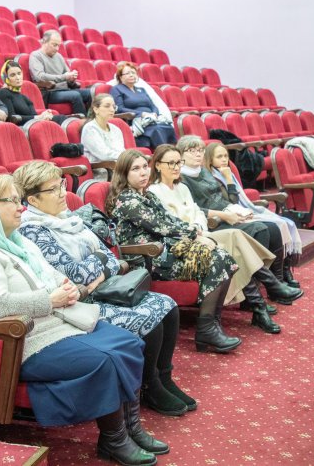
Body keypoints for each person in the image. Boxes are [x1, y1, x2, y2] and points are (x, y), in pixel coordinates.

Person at [0, 175, 160, 466]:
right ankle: (114, 439)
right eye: (11, 201)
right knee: (106, 359)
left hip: (54, 323)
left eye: (19, 200)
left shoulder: (17, 242)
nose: (20, 207)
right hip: (18, 341)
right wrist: (50, 300)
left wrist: (67, 287)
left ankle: (132, 428)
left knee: (130, 343)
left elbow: (51, 275)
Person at [14, 160, 194, 416]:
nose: (63, 192)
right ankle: (149, 385)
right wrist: (98, 262)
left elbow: (110, 257)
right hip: (78, 303)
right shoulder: (33, 231)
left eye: (61, 184)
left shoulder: (68, 219)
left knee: (167, 306)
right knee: (149, 317)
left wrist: (97, 269)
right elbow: (75, 274)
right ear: (33, 200)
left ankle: (163, 378)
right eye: (53, 189)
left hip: (101, 290)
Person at [108, 149, 242, 353]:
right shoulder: (127, 201)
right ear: (124, 173)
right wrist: (195, 234)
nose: (143, 172)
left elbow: (171, 219)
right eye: (135, 169)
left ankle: (211, 325)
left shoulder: (147, 195)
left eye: (144, 167)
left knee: (223, 257)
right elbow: (161, 226)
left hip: (165, 251)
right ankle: (207, 329)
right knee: (215, 261)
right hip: (146, 258)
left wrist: (195, 230)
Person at [147, 145, 281, 334]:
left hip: (200, 233)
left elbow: (197, 213)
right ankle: (264, 296)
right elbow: (171, 223)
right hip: (183, 241)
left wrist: (199, 228)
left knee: (236, 235)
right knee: (233, 244)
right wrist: (195, 232)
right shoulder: (154, 191)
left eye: (178, 162)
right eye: (171, 163)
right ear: (158, 165)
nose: (176, 167)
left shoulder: (182, 187)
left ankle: (260, 301)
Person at [177, 136, 304, 304]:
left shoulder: (204, 171)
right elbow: (194, 209)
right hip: (213, 222)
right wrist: (225, 215)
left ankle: (276, 285)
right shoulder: (182, 178)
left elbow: (227, 200)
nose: (198, 154)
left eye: (200, 150)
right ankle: (252, 297)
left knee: (274, 229)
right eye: (192, 151)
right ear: (181, 154)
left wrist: (238, 211)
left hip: (228, 213)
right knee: (260, 230)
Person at [204, 142, 303, 287]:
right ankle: (277, 279)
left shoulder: (227, 172)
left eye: (226, 156)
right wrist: (229, 180)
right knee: (274, 226)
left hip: (242, 210)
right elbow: (232, 202)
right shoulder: (212, 178)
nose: (224, 159)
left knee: (285, 223)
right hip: (229, 215)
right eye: (219, 157)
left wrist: (229, 177)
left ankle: (283, 272)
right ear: (210, 159)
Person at [109, 62, 176, 149]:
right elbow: (120, 109)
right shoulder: (116, 89)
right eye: (128, 73)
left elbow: (153, 105)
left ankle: (172, 153)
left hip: (151, 119)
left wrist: (154, 113)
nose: (131, 75)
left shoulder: (142, 89)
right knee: (157, 129)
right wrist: (141, 114)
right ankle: (164, 153)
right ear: (121, 77)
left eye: (133, 73)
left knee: (167, 127)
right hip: (136, 121)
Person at [29, 30, 90, 114]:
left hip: (65, 89)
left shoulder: (59, 56)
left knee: (89, 93)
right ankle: (82, 120)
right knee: (75, 95)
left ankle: (91, 118)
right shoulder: (36, 55)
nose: (57, 49)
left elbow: (66, 73)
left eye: (58, 45)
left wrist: (71, 78)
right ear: (44, 42)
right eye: (54, 45)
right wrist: (64, 77)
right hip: (50, 91)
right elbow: (39, 76)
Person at [0, 60, 68, 126]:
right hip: (20, 129)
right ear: (6, 78)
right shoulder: (3, 92)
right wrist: (38, 117)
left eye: (19, 73)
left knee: (61, 118)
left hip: (32, 126)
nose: (17, 77)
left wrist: (43, 116)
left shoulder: (25, 98)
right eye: (12, 75)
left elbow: (34, 116)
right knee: (60, 120)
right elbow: (11, 118)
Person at [81, 93, 126, 180]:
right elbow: (104, 155)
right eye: (107, 106)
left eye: (114, 107)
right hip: (102, 174)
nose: (112, 109)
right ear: (96, 109)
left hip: (119, 168)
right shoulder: (90, 129)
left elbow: (121, 150)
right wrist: (127, 157)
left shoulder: (116, 129)